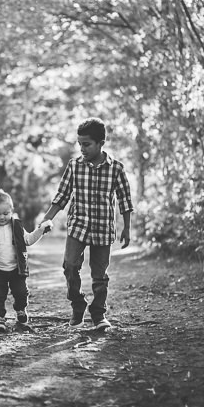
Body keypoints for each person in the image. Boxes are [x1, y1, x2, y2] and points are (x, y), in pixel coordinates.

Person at [40, 117, 133, 331]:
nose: (82, 148)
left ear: (101, 143)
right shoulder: (74, 166)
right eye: (79, 143)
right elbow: (61, 197)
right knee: (70, 266)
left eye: (87, 144)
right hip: (78, 226)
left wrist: (126, 228)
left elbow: (125, 201)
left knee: (100, 275)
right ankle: (78, 304)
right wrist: (46, 220)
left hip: (103, 229)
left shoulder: (116, 169)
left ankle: (99, 314)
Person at [0, 188, 53, 332]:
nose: (2, 217)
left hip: (16, 269)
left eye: (6, 213)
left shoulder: (17, 227)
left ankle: (20, 310)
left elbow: (29, 240)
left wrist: (41, 230)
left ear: (12, 210)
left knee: (21, 292)